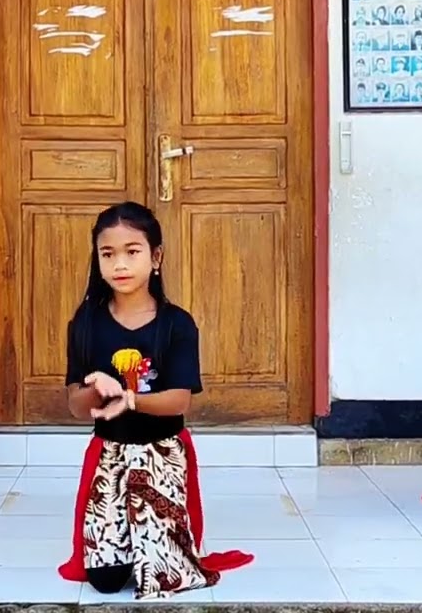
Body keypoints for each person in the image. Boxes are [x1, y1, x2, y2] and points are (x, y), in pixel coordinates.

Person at [57, 202, 252, 599]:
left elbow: (179, 401)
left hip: (162, 455)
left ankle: (155, 543)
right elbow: (77, 405)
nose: (120, 264)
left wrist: (128, 398)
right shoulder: (85, 323)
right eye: (108, 254)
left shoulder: (177, 323)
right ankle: (125, 546)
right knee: (106, 581)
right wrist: (99, 390)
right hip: (110, 455)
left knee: (165, 577)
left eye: (132, 251)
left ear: (156, 256)